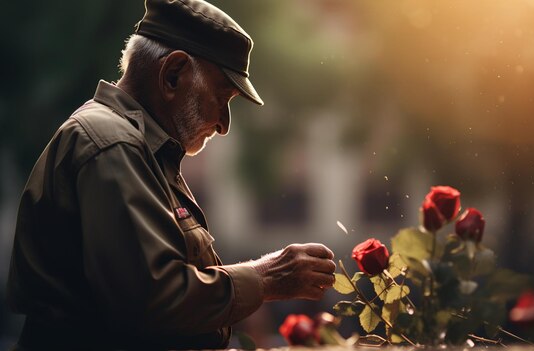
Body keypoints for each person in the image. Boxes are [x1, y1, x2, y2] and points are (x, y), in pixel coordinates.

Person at [6, 0, 336, 349]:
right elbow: (152, 302)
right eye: (222, 97)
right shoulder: (113, 144)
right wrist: (268, 278)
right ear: (173, 74)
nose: (224, 124)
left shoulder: (139, 148)